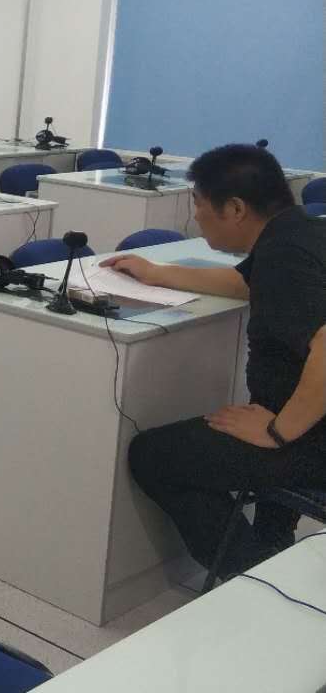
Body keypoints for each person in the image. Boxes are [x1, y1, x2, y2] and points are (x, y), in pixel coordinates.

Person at [103, 144, 326, 581]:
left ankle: (255, 582)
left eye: (200, 204)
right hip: (305, 423)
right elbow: (246, 283)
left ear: (236, 209)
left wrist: (279, 431)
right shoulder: (299, 232)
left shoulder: (284, 258)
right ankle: (272, 547)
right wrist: (158, 273)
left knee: (153, 456)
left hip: (311, 440)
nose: (196, 216)